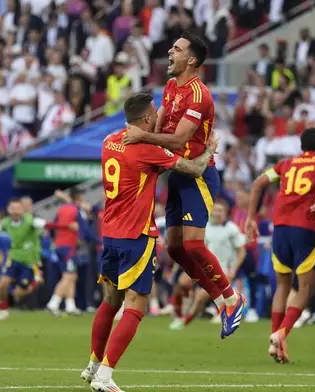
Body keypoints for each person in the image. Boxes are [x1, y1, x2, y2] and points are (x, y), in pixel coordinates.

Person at [82, 93, 219, 392]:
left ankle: (93, 364)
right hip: (137, 235)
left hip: (111, 233)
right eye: (156, 112)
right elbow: (194, 170)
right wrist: (209, 150)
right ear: (146, 119)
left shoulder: (108, 140)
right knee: (135, 307)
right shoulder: (147, 150)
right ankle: (105, 376)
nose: (159, 116)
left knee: (110, 300)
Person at [122, 32, 246, 338]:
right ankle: (221, 302)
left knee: (192, 244)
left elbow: (178, 139)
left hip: (199, 176)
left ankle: (232, 298)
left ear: (191, 59)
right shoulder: (170, 86)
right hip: (178, 173)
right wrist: (144, 131)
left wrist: (142, 137)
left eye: (176, 49)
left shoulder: (199, 94)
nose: (169, 51)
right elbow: (162, 125)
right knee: (175, 248)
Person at [245, 127, 315, 363]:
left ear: (301, 146)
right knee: (306, 288)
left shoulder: (285, 165)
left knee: (282, 286)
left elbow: (256, 184)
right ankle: (281, 333)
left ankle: (274, 344)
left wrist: (250, 219)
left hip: (280, 228)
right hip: (305, 228)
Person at [0, 198, 77, 321]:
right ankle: (3, 310)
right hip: (14, 258)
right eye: (14, 208)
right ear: (9, 210)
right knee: (2, 284)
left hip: (30, 263)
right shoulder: (5, 223)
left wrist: (67, 227)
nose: (16, 211)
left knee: (18, 293)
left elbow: (49, 225)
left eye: (18, 208)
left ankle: (33, 284)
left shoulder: (30, 221)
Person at [170, 202, 246, 330]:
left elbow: (242, 251)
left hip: (223, 268)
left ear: (225, 213)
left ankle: (186, 321)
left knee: (201, 297)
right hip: (203, 265)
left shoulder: (231, 229)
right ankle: (178, 314)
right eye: (215, 210)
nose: (217, 213)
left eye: (220, 211)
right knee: (181, 282)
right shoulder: (205, 227)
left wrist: (234, 269)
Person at [46, 188, 99, 316]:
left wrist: (56, 239)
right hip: (69, 247)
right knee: (68, 276)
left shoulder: (61, 209)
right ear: (78, 199)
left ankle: (70, 305)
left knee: (72, 275)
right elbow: (85, 229)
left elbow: (54, 226)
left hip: (59, 245)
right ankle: (53, 303)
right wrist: (100, 241)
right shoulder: (76, 210)